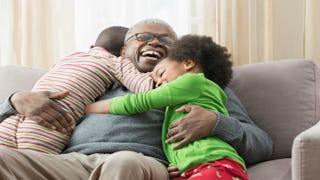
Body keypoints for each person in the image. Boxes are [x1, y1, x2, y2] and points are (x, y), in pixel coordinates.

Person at [0, 19, 272, 180]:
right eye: (143, 37)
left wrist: (216, 122)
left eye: (166, 40)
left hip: (139, 163)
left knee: (123, 162)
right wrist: (15, 100)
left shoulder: (198, 87)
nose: (154, 43)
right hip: (71, 164)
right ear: (122, 49)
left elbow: (263, 144)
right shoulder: (91, 79)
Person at [85, 34, 248, 180]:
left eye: (161, 74)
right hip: (193, 169)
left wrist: (87, 108)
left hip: (213, 164)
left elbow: (139, 102)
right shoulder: (200, 94)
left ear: (188, 63)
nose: (160, 84)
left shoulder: (193, 81)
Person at [0, 25, 152, 154]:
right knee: (30, 166)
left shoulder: (71, 56)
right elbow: (146, 88)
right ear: (124, 52)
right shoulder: (117, 63)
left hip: (12, 119)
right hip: (51, 122)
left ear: (93, 47)